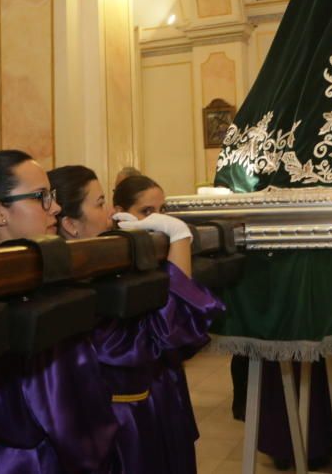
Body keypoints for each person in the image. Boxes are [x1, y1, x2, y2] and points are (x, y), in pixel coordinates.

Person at [0, 150, 121, 473]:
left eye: (52, 196)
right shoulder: (27, 292)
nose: (55, 207)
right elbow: (69, 411)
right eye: (41, 196)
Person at [49, 166, 224, 473]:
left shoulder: (104, 264)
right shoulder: (81, 288)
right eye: (100, 203)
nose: (110, 217)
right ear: (71, 225)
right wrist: (179, 238)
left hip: (149, 405)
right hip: (124, 422)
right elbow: (172, 327)